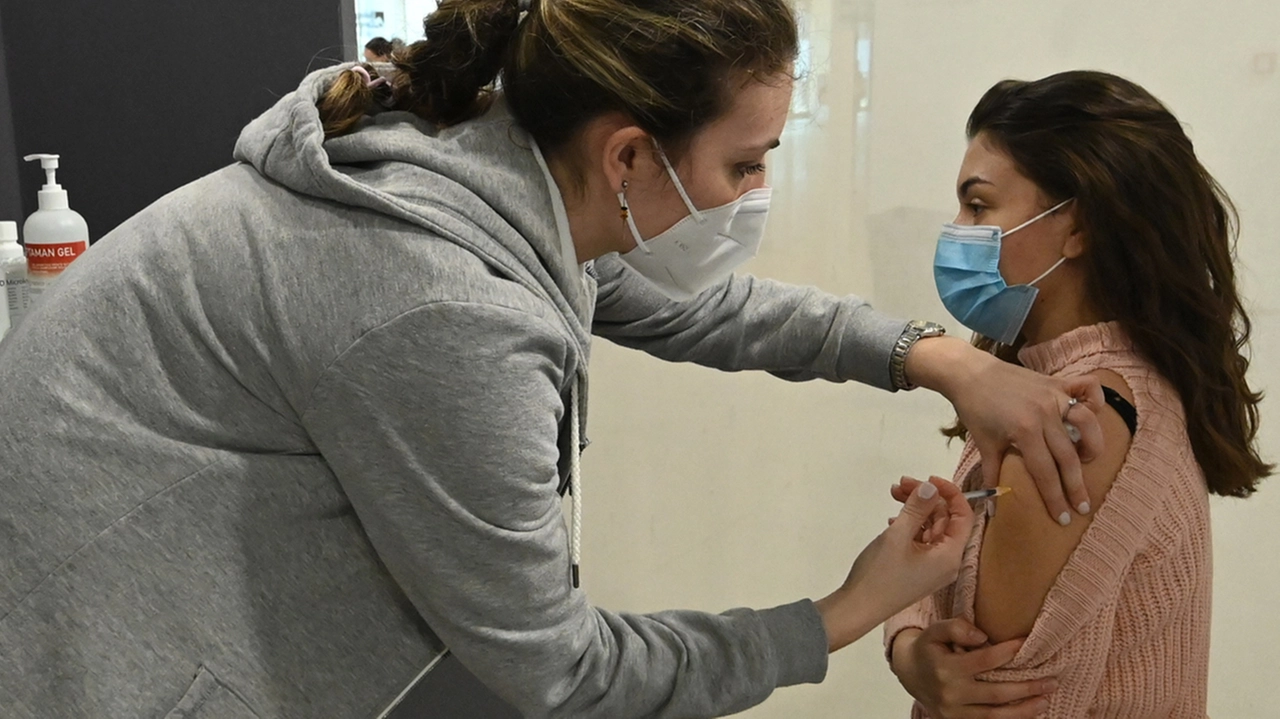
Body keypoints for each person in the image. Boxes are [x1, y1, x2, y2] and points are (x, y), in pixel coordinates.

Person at [0, 1, 1103, 717]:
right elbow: (561, 668)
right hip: (103, 659)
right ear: (626, 152)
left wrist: (930, 357)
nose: (750, 198)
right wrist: (845, 613)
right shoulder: (435, 301)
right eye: (743, 163)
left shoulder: (477, 173)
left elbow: (697, 307)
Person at [884, 70, 1272, 719]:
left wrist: (907, 633)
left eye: (978, 206)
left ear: (1077, 227)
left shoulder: (1074, 418)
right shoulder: (1110, 383)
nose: (956, 230)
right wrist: (910, 640)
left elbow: (984, 686)